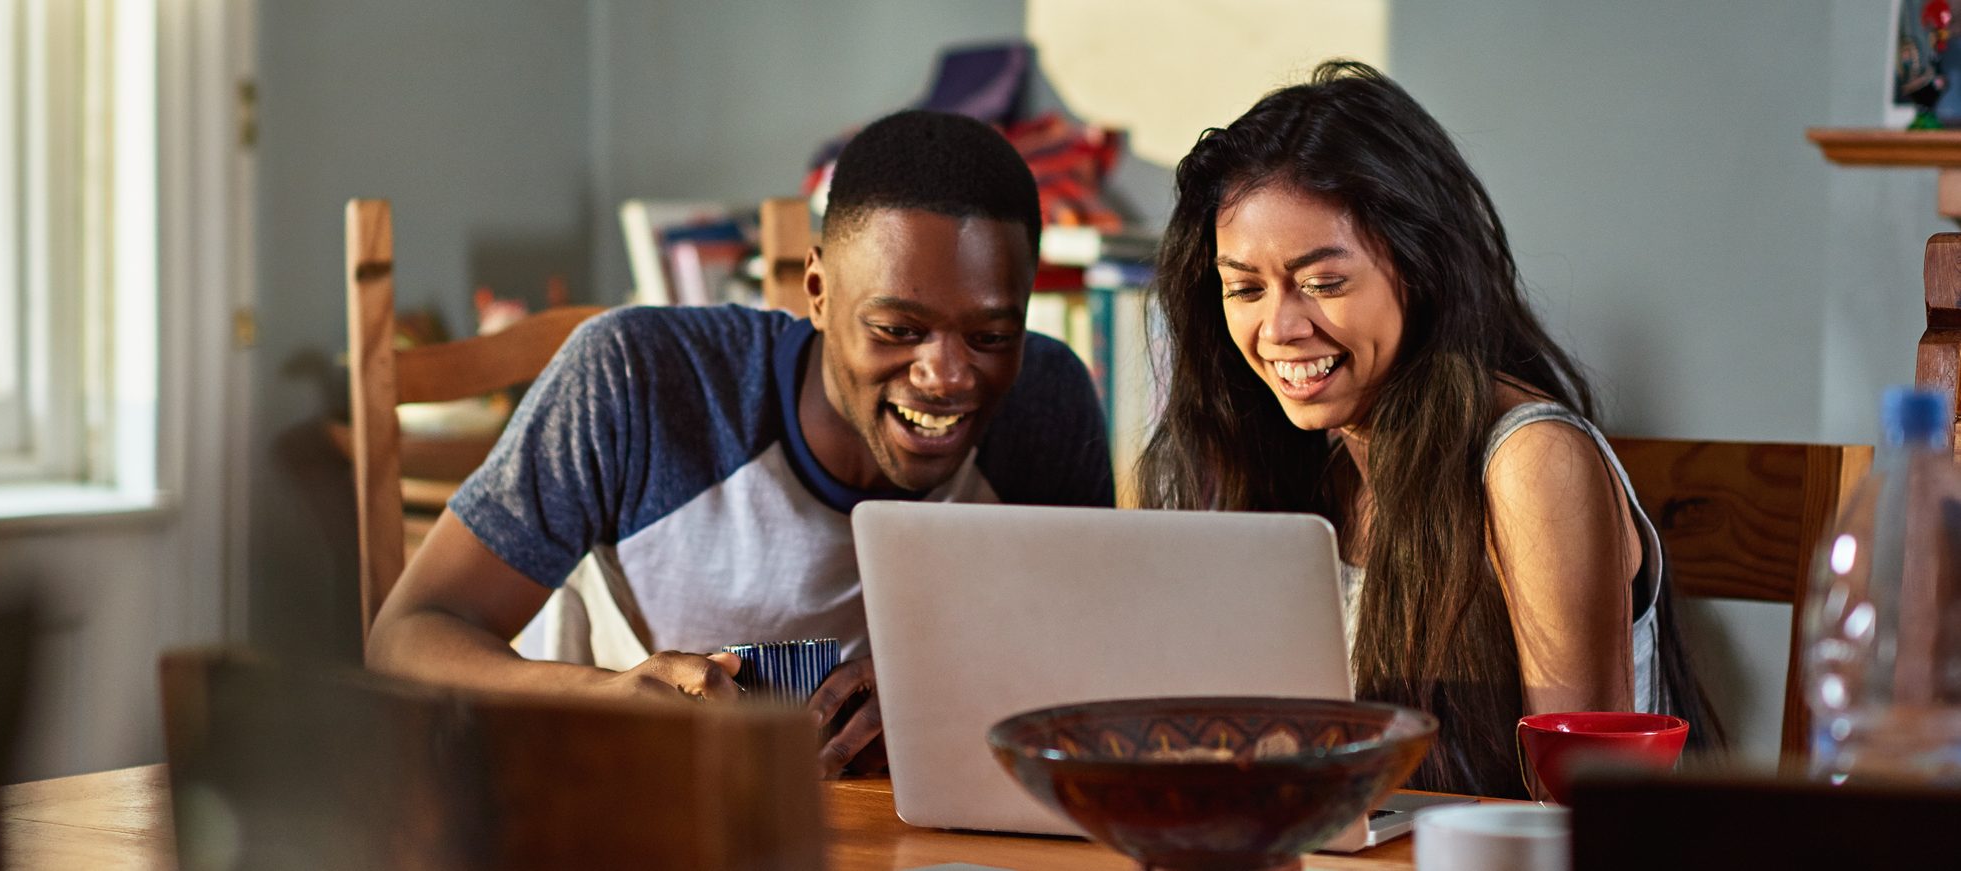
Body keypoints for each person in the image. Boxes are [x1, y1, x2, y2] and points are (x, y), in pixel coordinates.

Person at [366, 109, 1114, 778]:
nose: (946, 376)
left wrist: (950, 698)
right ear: (817, 294)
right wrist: (605, 697)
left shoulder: (1044, 403)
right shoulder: (637, 381)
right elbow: (410, 635)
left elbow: (1092, 664)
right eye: (897, 330)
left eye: (989, 336)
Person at [1137, 61, 1714, 797]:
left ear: (1420, 268)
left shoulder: (1530, 461)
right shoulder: (1297, 459)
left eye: (1322, 283)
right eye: (1244, 288)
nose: (1278, 327)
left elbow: (1581, 808)